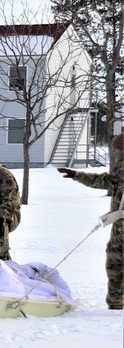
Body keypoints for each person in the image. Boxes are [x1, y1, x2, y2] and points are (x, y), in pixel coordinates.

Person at [58, 133, 124, 310]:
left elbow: (104, 181)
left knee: (115, 263)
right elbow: (106, 181)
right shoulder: (120, 168)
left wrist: (76, 175)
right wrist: (76, 175)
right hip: (119, 228)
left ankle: (116, 303)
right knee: (115, 260)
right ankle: (116, 303)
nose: (114, 151)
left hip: (121, 228)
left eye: (116, 148)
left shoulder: (122, 167)